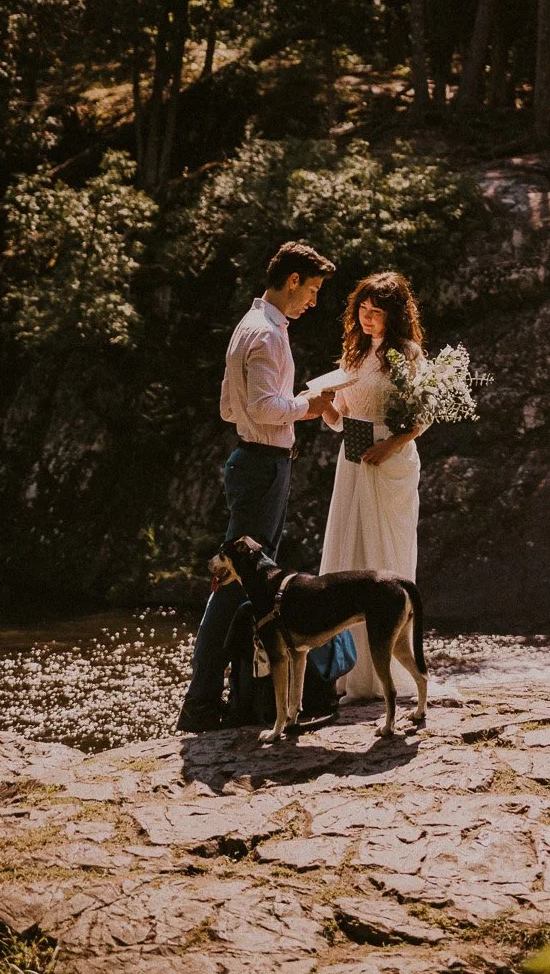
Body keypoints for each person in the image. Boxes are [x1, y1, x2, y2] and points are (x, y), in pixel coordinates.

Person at [176, 240, 336, 733]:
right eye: (311, 290)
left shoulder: (251, 327)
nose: (313, 301)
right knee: (235, 585)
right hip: (264, 467)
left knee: (240, 583)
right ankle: (203, 702)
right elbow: (266, 408)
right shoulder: (266, 335)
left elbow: (230, 408)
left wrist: (286, 407)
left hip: (253, 461)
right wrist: (308, 405)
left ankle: (236, 694)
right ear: (292, 281)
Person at [318, 270, 426, 700]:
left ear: (393, 315)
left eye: (375, 311)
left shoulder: (408, 353)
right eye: (362, 308)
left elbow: (422, 417)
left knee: (384, 557)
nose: (366, 317)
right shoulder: (354, 353)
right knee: (347, 553)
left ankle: (386, 673)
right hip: (353, 461)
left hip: (390, 462)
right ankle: (347, 673)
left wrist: (390, 446)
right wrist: (325, 406)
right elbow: (341, 418)